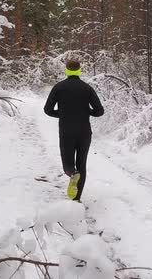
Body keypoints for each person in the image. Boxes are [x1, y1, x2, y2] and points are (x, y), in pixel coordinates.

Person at [44, 59, 104, 202]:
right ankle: (76, 199)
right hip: (84, 133)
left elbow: (47, 110)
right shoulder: (87, 88)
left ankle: (72, 173)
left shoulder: (59, 87)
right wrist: (85, 111)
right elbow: (99, 111)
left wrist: (63, 113)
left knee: (68, 164)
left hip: (66, 132)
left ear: (67, 70)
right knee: (81, 164)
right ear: (79, 70)